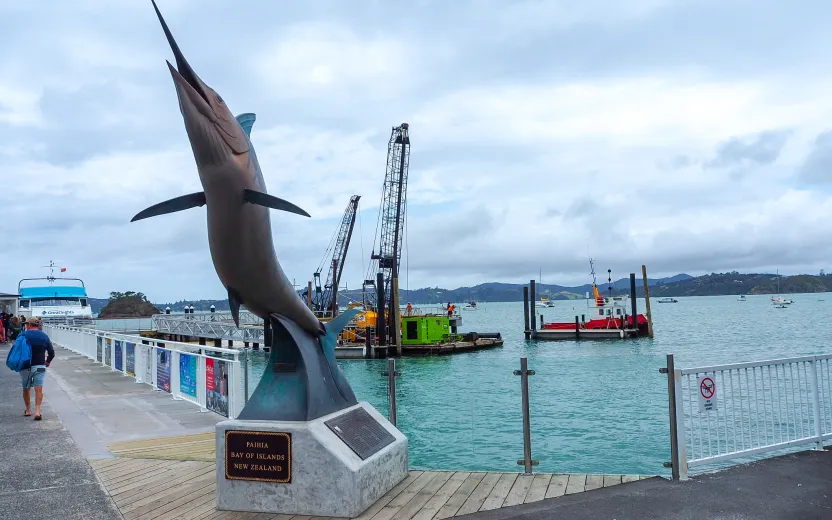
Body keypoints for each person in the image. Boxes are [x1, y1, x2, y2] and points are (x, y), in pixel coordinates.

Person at [20, 317, 55, 420]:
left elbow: (17, 350)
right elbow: (51, 352)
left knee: (26, 388)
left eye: (26, 324)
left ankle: (28, 410)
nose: (26, 326)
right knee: (38, 388)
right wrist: (47, 361)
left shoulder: (23, 335)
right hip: (40, 366)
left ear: (29, 325)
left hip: (25, 367)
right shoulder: (44, 336)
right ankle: (38, 412)